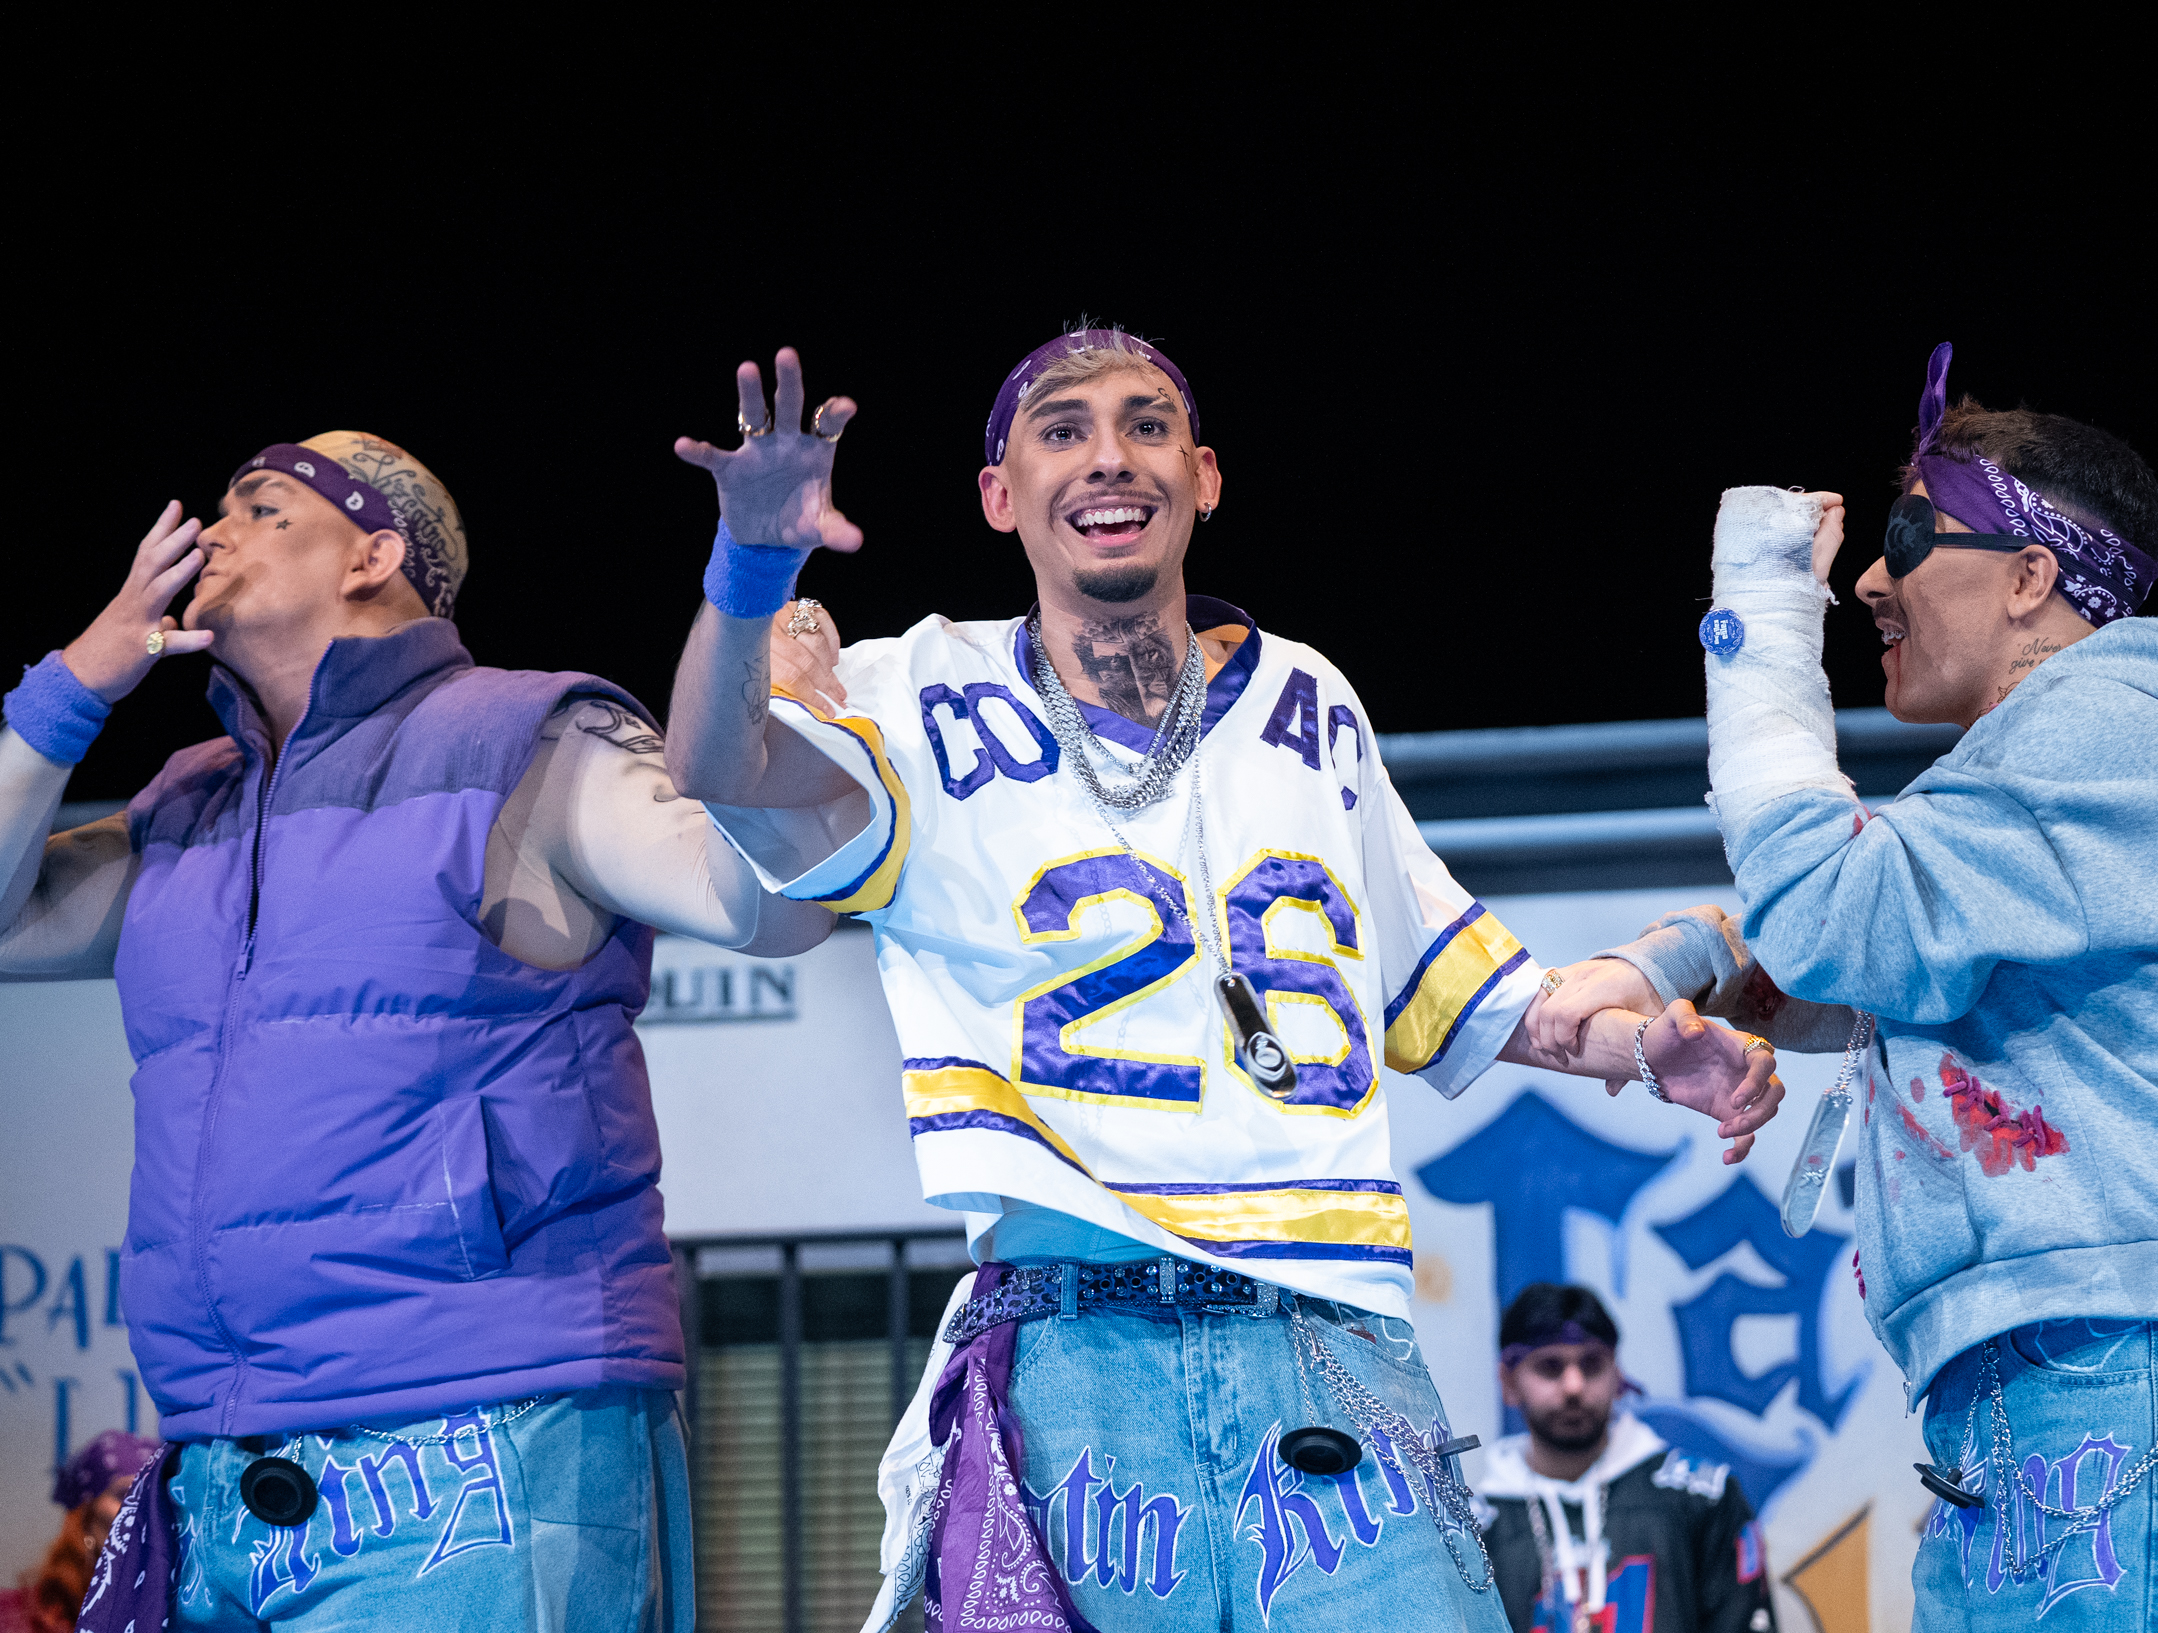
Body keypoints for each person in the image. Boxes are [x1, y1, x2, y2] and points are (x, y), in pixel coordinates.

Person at [659, 328, 1786, 1631]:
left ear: (1202, 476)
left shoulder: (1308, 699)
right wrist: (751, 564)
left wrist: (1641, 1049)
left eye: (1145, 426)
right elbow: (723, 772)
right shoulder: (916, 691)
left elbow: (1457, 994)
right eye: (1063, 430)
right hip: (1073, 1340)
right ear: (998, 494)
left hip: (1321, 1334)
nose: (1107, 456)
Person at [1533, 345, 2158, 1630]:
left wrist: (1759, 613)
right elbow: (1839, 964)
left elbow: (1834, 913)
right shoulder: (2044, 772)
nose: (1866, 578)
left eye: (1909, 533)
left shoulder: (2106, 727)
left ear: (2031, 577)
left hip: (2109, 1358)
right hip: (2058, 1366)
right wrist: (1673, 961)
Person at [0, 432, 836, 1630]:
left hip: (486, 1438)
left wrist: (760, 635)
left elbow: (761, 900)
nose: (212, 531)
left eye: (264, 507)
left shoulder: (522, 738)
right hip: (226, 1468)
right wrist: (73, 683)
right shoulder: (188, 802)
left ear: (372, 553)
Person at [1475, 1285, 1775, 1633]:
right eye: (1550, 1367)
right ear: (1509, 1381)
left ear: (1617, 1374)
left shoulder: (1702, 1499)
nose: (1574, 1386)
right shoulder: (1476, 1530)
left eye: (1592, 1365)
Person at [0, 1431, 159, 1633]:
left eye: (155, 1496)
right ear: (86, 1513)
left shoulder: (186, 1606)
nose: (142, 1509)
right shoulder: (18, 1617)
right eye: (124, 1495)